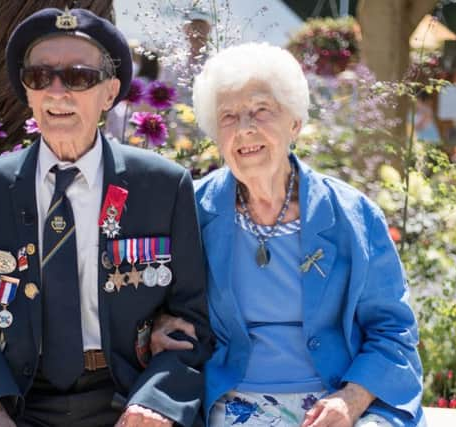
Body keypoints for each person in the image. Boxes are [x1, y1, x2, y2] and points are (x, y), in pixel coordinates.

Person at [0, 8, 211, 427]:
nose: (57, 91)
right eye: (40, 77)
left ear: (110, 92)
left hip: (128, 396)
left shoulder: (161, 187)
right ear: (27, 94)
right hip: (17, 399)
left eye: (79, 76)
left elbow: (193, 321)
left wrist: (158, 400)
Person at [151, 42, 425, 426]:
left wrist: (351, 399)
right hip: (234, 401)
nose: (245, 128)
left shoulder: (353, 216)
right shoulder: (192, 212)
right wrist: (158, 323)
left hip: (340, 393)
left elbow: (393, 328)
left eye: (261, 110)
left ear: (294, 122)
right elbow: (156, 300)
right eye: (229, 116)